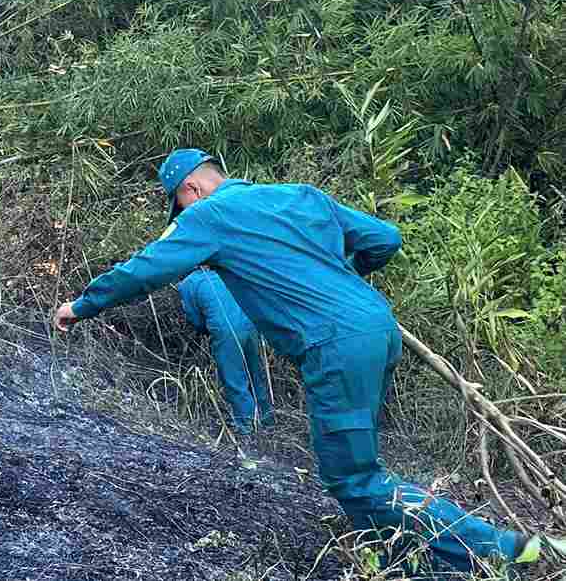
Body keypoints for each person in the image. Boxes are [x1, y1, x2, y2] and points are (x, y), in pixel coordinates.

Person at [53, 148, 563, 575]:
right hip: (377, 328)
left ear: (192, 189)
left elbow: (146, 269)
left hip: (336, 346)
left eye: (179, 206)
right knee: (363, 472)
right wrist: (340, 279)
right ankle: (399, 562)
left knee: (355, 481)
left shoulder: (206, 216)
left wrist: (81, 306)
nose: (181, 216)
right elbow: (384, 239)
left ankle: (508, 551)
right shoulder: (300, 195)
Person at [177, 268, 274, 435]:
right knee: (255, 375)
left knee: (234, 380)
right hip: (251, 326)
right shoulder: (225, 272)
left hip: (226, 332)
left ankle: (246, 426)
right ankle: (267, 420)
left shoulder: (188, 283)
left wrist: (204, 330)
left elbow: (195, 319)